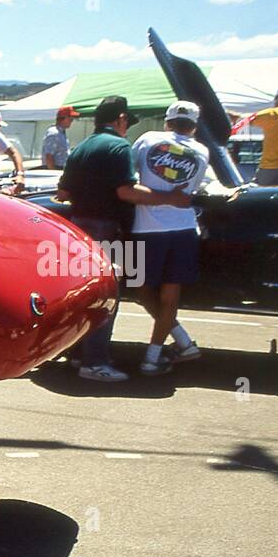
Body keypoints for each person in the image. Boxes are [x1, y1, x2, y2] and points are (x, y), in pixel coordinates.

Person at [56, 95, 192, 382]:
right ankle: (94, 362)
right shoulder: (119, 146)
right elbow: (126, 192)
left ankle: (79, 353)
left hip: (79, 227)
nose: (126, 127)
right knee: (106, 297)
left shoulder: (82, 147)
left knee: (85, 295)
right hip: (108, 228)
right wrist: (172, 198)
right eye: (126, 121)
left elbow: (64, 193)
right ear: (120, 119)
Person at [130, 101, 210, 375]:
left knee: (142, 291)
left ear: (167, 121)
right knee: (169, 298)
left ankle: (172, 347)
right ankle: (160, 354)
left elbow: (130, 179)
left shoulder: (147, 139)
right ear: (194, 125)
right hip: (183, 229)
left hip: (146, 229)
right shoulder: (201, 151)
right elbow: (191, 190)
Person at [251, 88, 278, 186]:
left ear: (276, 99)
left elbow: (250, 120)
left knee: (263, 195)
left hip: (270, 166)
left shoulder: (270, 113)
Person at [42, 106, 81, 170]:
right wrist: (53, 172)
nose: (72, 121)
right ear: (62, 118)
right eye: (70, 119)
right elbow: (49, 156)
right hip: (56, 169)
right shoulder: (54, 133)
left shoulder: (61, 133)